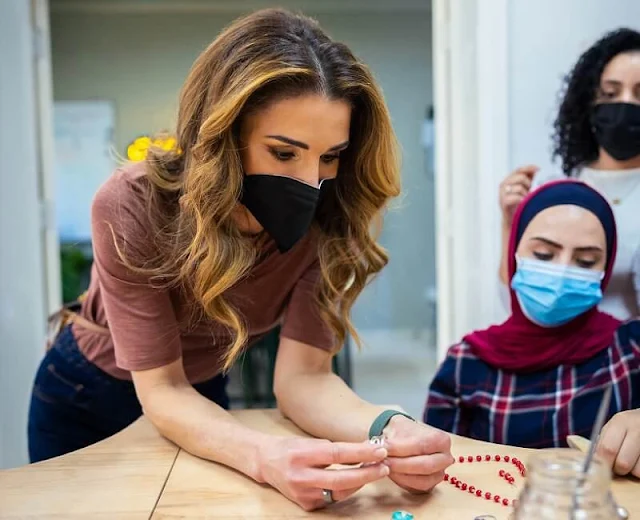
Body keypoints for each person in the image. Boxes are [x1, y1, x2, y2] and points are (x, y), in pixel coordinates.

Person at [28, 9, 452, 511]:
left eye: (330, 156)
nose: (310, 181)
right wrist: (266, 455)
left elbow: (305, 377)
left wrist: (390, 429)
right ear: (223, 136)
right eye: (283, 153)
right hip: (89, 391)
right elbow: (162, 388)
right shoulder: (130, 204)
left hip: (200, 390)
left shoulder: (331, 220)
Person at [425, 180, 640, 455]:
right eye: (544, 254)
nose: (562, 270)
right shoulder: (464, 366)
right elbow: (434, 472)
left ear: (605, 268)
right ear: (514, 253)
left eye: (585, 261)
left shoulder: (630, 350)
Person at [499, 28, 640, 320]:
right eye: (610, 93)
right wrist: (509, 222)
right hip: (559, 360)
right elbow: (512, 300)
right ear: (588, 105)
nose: (625, 105)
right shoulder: (551, 190)